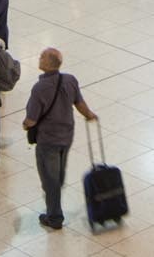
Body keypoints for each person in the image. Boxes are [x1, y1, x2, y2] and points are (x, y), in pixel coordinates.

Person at [21, 48, 98, 230]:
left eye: (41, 57)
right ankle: (56, 194)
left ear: (48, 63)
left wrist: (25, 125)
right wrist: (90, 115)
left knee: (49, 178)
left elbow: (31, 119)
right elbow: (79, 103)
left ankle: (54, 216)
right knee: (58, 172)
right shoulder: (70, 80)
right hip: (66, 136)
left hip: (48, 140)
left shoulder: (40, 88)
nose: (38, 58)